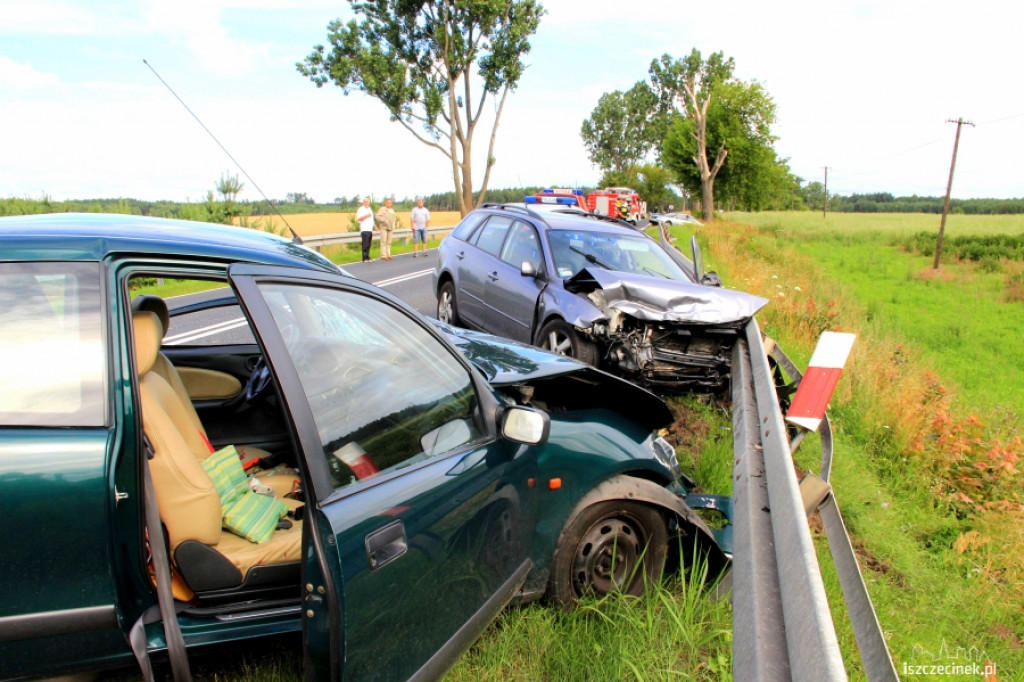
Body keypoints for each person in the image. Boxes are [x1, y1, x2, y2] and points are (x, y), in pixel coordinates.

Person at [356, 197, 375, 262]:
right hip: (364, 229)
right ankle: (364, 257)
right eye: (366, 202)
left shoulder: (370, 209)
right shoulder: (360, 210)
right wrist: (366, 215)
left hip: (370, 229)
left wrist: (375, 227)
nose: (367, 203)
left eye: (368, 202)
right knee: (365, 244)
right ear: (363, 203)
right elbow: (359, 219)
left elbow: (372, 219)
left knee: (369, 244)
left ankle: (368, 256)